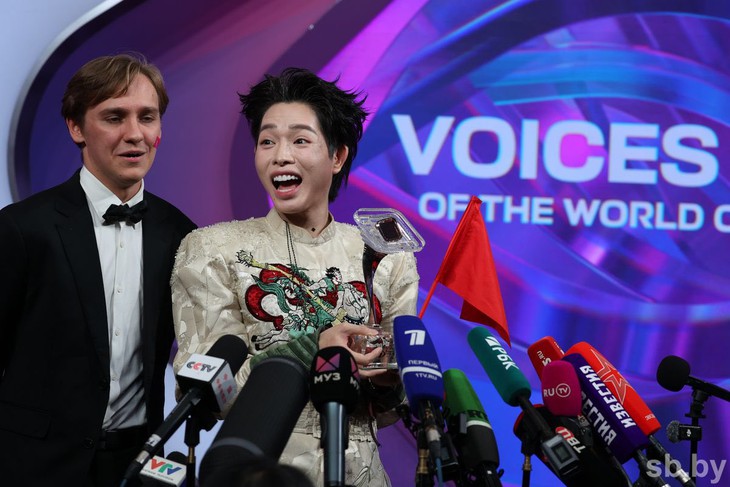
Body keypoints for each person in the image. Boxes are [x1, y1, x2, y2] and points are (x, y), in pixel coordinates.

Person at [171, 67, 419, 486]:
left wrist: (388, 380)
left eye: (300, 140)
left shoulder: (385, 255)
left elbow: (395, 407)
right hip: (261, 475)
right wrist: (312, 348)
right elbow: (210, 394)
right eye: (267, 141)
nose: (280, 156)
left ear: (337, 156)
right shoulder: (213, 249)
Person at [0, 53, 197, 486]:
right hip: (32, 467)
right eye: (114, 117)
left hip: (136, 465)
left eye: (147, 117)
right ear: (76, 128)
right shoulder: (22, 228)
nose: (135, 134)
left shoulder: (183, 235)